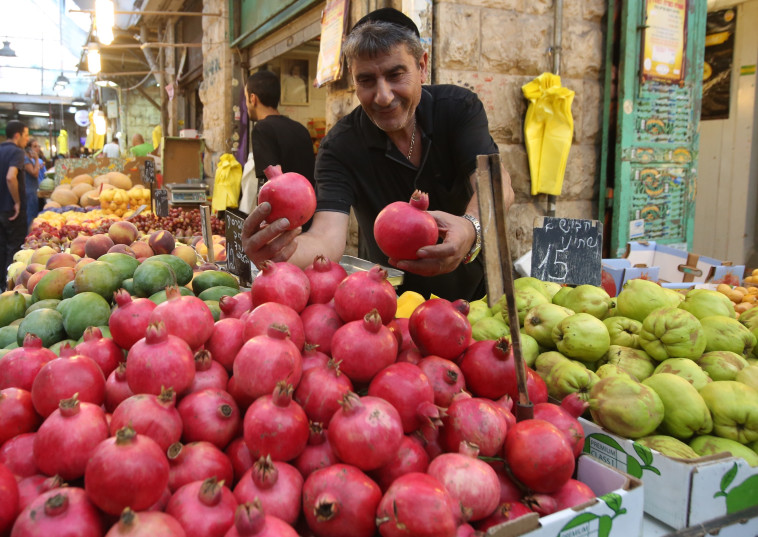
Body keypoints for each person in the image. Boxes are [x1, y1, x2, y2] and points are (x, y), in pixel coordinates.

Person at [241, 8, 514, 301]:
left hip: (482, 300)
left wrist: (470, 226)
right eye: (367, 80)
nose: (383, 96)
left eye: (396, 74)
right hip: (391, 311)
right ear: (353, 81)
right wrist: (280, 253)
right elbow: (326, 238)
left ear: (422, 66)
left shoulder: (458, 108)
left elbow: (497, 183)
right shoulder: (340, 146)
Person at [244, 70, 316, 227]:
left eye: (246, 99)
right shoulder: (300, 129)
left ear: (253, 98)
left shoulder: (262, 129)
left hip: (284, 222)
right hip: (307, 217)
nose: (246, 105)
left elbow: (271, 182)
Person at [1, 120, 29, 292]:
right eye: (26, 135)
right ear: (17, 135)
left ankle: (1, 286)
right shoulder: (17, 152)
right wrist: (17, 202)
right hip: (11, 210)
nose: (27, 139)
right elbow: (11, 177)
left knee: (1, 246)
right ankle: (10, 289)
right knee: (14, 248)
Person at [24, 138, 45, 229]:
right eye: (34, 146)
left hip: (33, 190)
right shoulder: (26, 159)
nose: (37, 149)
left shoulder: (29, 159)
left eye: (38, 146)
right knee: (31, 215)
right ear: (29, 148)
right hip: (29, 191)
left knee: (33, 213)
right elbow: (35, 173)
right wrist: (36, 159)